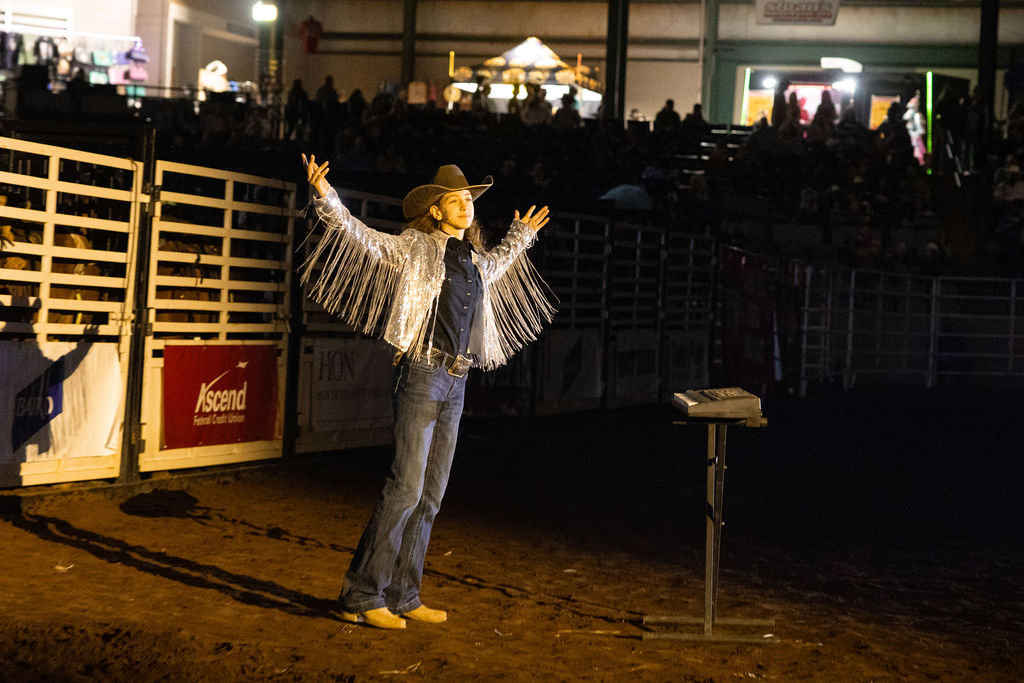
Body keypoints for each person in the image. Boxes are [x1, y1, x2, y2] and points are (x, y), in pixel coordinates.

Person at [300, 155, 556, 629]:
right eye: (456, 200)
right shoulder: (413, 246)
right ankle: (361, 595)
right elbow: (360, 236)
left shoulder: (474, 261)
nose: (466, 206)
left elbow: (499, 263)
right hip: (421, 371)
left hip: (456, 378)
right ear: (436, 211)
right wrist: (326, 196)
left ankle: (403, 594)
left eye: (469, 200)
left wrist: (522, 236)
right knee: (405, 488)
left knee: (430, 495)